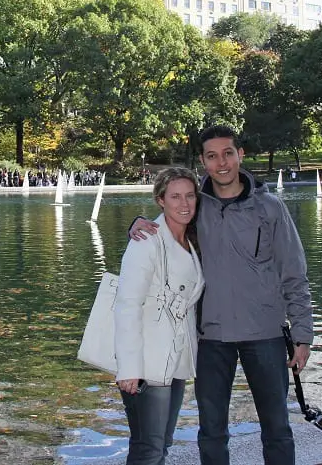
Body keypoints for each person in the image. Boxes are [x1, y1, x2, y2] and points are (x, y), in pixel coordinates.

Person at [129, 125, 313, 465]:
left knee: (277, 428)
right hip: (211, 338)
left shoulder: (270, 208)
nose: (222, 163)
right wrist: (138, 223)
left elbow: (294, 274)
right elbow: (166, 222)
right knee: (212, 433)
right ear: (203, 162)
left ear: (240, 155)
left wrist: (303, 333)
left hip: (266, 335)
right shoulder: (196, 206)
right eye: (212, 156)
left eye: (228, 153)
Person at [116, 167, 204, 465]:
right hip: (146, 361)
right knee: (149, 448)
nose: (184, 203)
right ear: (160, 200)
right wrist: (129, 367)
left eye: (190, 195)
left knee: (160, 443)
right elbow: (127, 305)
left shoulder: (191, 240)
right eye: (175, 196)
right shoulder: (146, 241)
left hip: (175, 358)